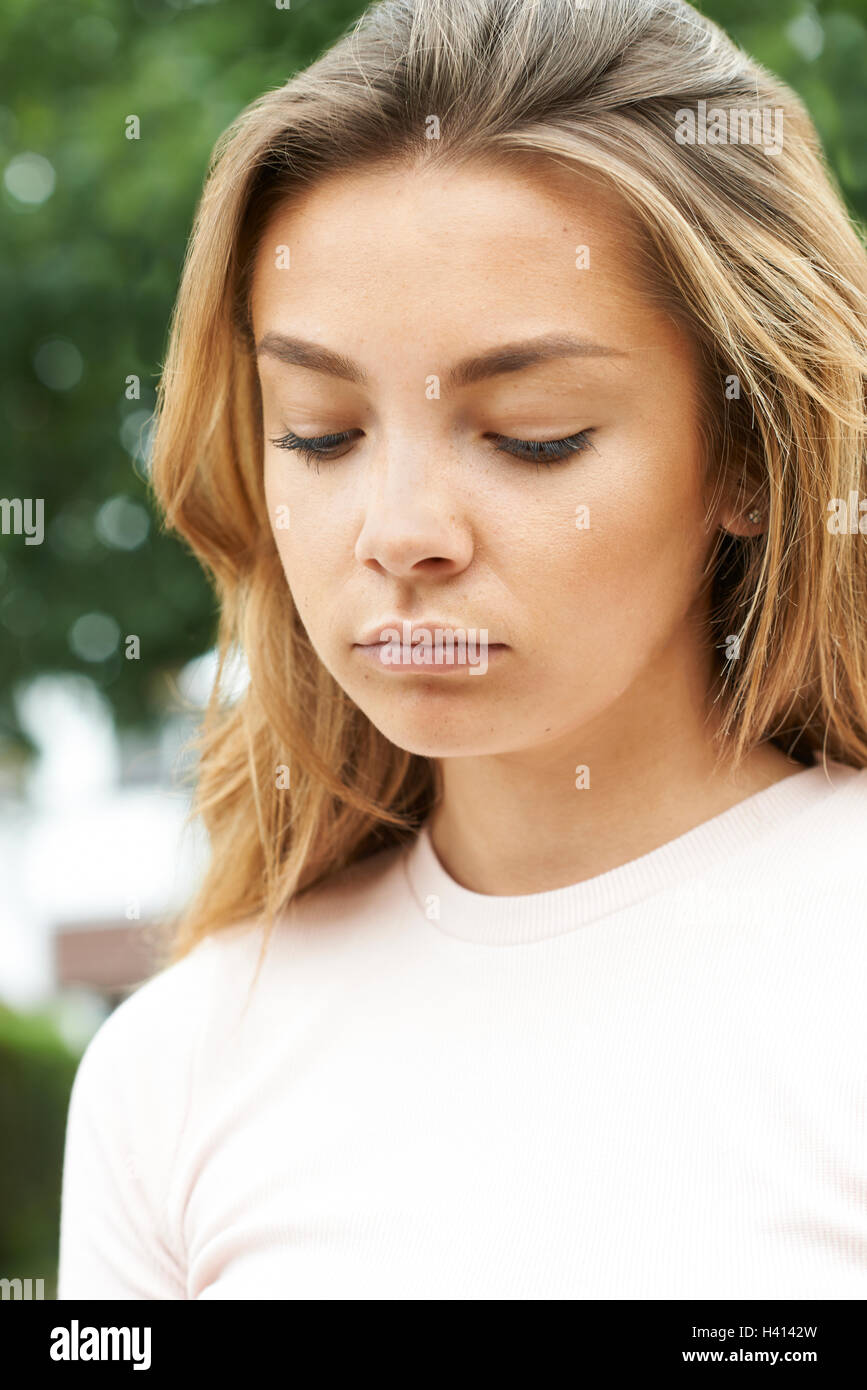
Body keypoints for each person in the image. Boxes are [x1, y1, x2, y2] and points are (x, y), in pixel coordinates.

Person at [58, 0, 867, 1299]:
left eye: (532, 434)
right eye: (321, 432)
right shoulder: (177, 1070)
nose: (400, 534)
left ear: (752, 453)